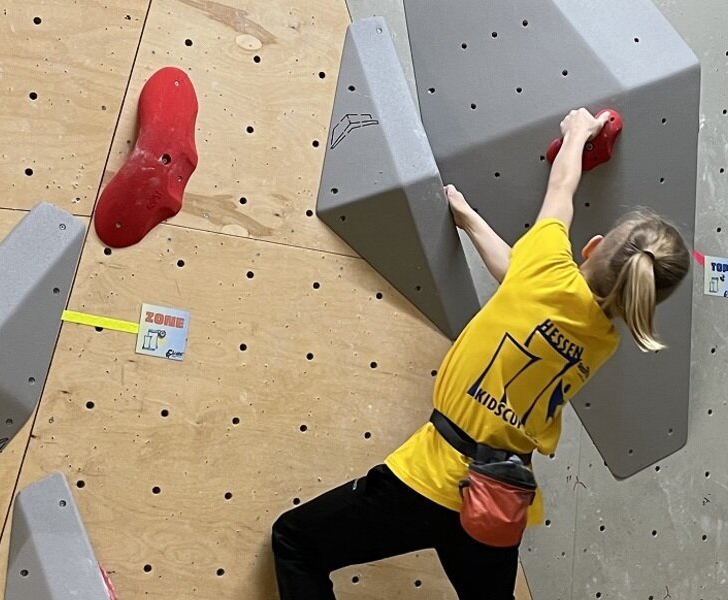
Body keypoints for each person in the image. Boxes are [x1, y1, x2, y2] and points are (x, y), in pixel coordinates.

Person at [270, 108, 691, 599]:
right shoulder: (602, 339)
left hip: (429, 480)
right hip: (496, 502)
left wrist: (578, 132)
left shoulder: (547, 271)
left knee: (296, 541)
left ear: (590, 248)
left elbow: (561, 190)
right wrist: (468, 220)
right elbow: (516, 277)